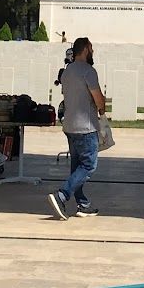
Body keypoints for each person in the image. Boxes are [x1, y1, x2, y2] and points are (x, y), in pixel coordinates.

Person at [48, 36, 106, 220]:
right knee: (89, 165)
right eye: (91, 48)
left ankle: (82, 204)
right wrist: (103, 110)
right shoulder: (88, 71)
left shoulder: (67, 71)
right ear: (86, 50)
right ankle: (62, 195)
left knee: (77, 167)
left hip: (70, 125)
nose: (93, 52)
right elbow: (98, 99)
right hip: (86, 127)